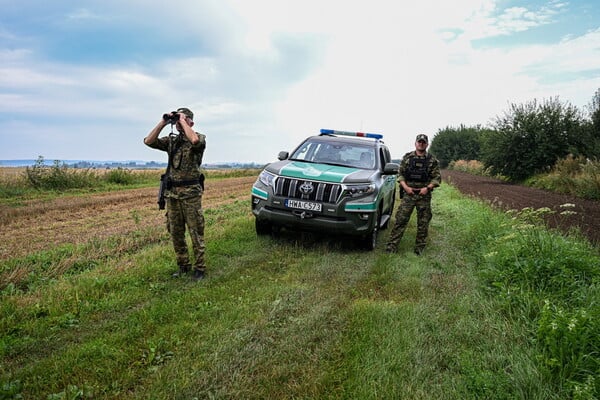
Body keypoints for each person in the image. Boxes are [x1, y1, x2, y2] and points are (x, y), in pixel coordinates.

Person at [144, 107, 207, 280]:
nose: (178, 122)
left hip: (191, 195)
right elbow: (149, 141)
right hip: (172, 195)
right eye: (177, 119)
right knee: (176, 233)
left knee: (196, 232)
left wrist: (182, 121)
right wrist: (164, 122)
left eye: (184, 119)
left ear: (191, 122)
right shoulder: (172, 141)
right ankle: (183, 265)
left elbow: (194, 140)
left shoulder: (199, 138)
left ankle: (200, 268)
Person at [386, 134, 441, 255]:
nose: (421, 144)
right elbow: (400, 175)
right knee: (400, 220)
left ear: (427, 144)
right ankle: (391, 247)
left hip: (424, 195)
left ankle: (419, 249)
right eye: (419, 142)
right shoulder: (407, 158)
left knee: (423, 223)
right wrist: (406, 187)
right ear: (415, 143)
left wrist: (427, 188)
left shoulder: (432, 160)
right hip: (408, 194)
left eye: (423, 142)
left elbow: (436, 178)